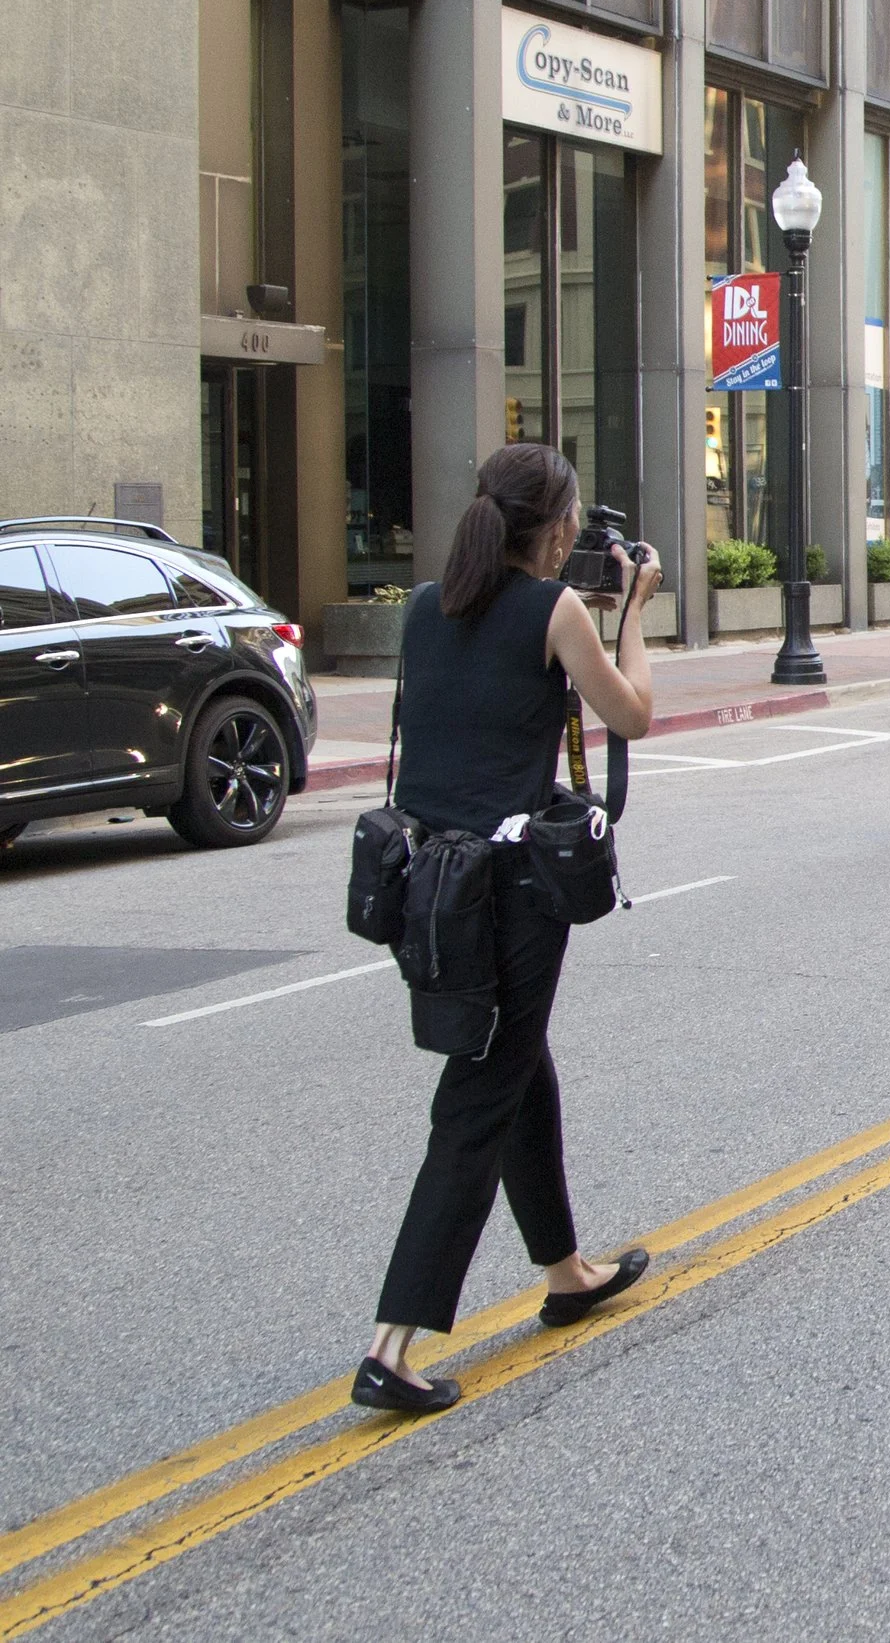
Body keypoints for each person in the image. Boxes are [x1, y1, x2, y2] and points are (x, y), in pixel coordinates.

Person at [357, 443, 663, 1414]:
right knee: (479, 1098)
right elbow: (635, 715)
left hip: (427, 887)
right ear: (563, 527)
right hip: (511, 893)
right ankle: (391, 1342)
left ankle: (567, 1270)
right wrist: (634, 614)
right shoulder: (556, 610)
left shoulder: (422, 606)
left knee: (520, 1064)